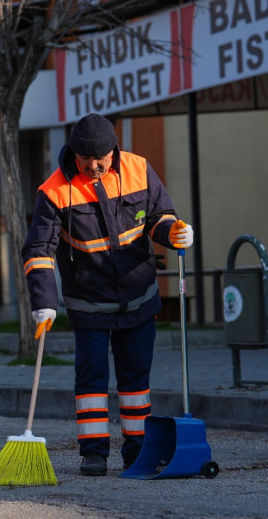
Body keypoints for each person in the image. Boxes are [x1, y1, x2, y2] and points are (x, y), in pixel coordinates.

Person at [21, 113, 194, 476]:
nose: (96, 166)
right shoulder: (52, 192)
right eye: (88, 161)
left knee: (135, 382)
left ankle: (138, 451)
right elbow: (38, 250)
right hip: (89, 302)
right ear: (75, 154)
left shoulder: (138, 169)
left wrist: (174, 232)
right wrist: (44, 303)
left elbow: (160, 216)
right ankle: (94, 453)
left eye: (102, 159)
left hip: (139, 295)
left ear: (113, 151)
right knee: (91, 380)